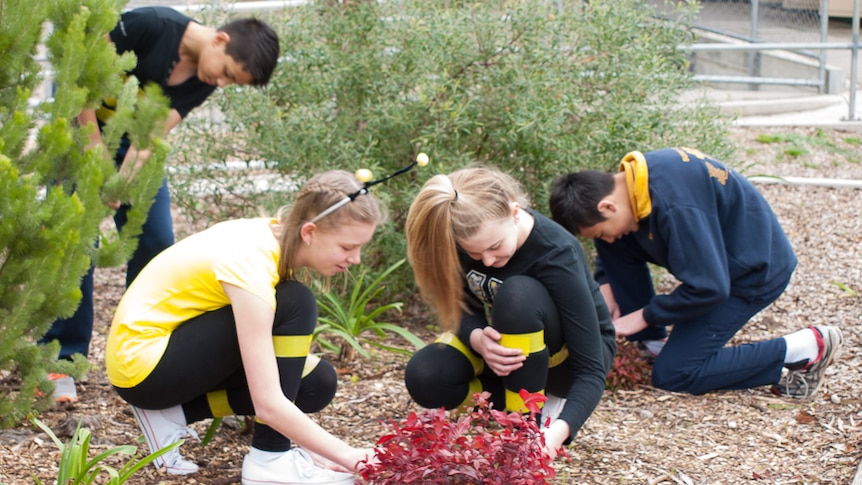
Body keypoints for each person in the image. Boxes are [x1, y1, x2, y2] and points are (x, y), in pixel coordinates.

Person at [40, 6, 280, 403]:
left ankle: (141, 350)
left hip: (127, 143)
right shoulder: (151, 25)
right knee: (75, 241)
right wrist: (95, 150)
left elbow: (150, 134)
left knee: (155, 240)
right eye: (226, 72)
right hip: (78, 127)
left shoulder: (203, 81)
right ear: (220, 39)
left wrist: (124, 179)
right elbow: (82, 74)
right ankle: (60, 360)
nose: (220, 82)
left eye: (230, 82)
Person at [105, 170, 383, 483]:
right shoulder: (252, 264)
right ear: (309, 232)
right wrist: (351, 457)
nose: (355, 259)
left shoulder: (272, 236)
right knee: (296, 302)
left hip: (167, 360)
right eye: (347, 247)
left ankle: (175, 414)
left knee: (315, 382)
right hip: (143, 367)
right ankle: (270, 462)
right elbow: (267, 403)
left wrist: (319, 451)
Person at [548, 147, 843, 400]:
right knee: (619, 239)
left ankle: (804, 347)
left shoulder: (675, 206)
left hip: (753, 272)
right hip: (718, 264)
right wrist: (606, 283)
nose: (606, 240)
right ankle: (651, 344)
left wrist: (643, 316)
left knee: (675, 373)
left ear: (607, 205)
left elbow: (709, 288)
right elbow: (614, 243)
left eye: (600, 232)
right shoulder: (633, 183)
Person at [403, 166, 616, 459]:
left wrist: (557, 435)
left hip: (568, 363)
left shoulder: (556, 252)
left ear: (514, 211)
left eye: (494, 247)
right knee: (426, 376)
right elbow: (463, 308)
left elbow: (592, 369)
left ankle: (526, 426)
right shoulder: (467, 238)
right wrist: (477, 338)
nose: (488, 261)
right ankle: (508, 406)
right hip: (515, 354)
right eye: (476, 254)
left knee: (517, 295)